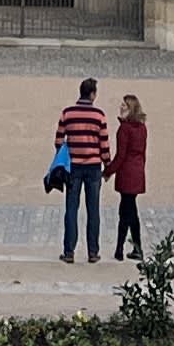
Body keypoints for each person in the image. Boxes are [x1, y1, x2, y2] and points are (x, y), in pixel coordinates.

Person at [54, 76, 111, 262]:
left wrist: (64, 157)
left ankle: (69, 251)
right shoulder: (99, 115)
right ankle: (93, 252)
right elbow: (104, 144)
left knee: (71, 209)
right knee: (93, 210)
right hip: (93, 167)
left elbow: (58, 140)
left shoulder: (68, 113)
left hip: (73, 167)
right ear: (92, 94)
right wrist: (107, 164)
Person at [111, 93, 150, 259]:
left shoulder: (124, 129)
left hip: (127, 173)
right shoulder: (142, 128)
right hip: (137, 172)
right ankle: (137, 247)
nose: (121, 107)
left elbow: (121, 155)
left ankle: (120, 248)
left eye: (124, 106)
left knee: (125, 212)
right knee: (131, 211)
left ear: (130, 109)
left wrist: (108, 171)